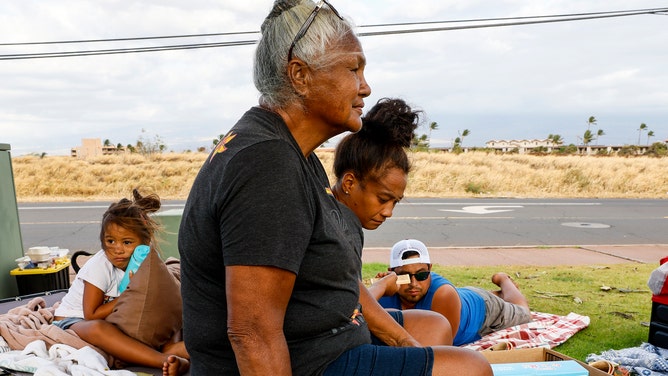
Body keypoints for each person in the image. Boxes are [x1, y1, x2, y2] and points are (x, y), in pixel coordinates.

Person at [178, 0, 492, 375]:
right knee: (470, 368)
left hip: (331, 339)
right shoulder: (267, 163)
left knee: (431, 327)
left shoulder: (296, 155)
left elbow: (331, 277)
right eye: (353, 68)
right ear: (300, 75)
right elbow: (252, 333)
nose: (365, 87)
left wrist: (401, 343)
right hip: (311, 362)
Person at [332, 97, 454, 346]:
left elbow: (352, 292)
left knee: (437, 324)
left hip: (347, 327)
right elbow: (353, 303)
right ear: (349, 183)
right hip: (333, 343)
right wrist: (407, 344)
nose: (388, 212)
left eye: (395, 202)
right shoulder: (335, 228)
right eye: (383, 199)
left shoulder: (345, 221)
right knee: (472, 365)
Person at [53, 189, 189, 376]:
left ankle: (175, 349)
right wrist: (129, 295)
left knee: (167, 313)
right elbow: (91, 315)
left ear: (144, 242)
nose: (117, 249)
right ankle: (161, 360)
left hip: (118, 317)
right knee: (99, 329)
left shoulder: (147, 261)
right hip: (75, 320)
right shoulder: (100, 265)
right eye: (110, 241)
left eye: (126, 242)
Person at [371, 238, 532, 346]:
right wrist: (381, 288)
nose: (414, 283)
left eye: (421, 275)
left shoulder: (443, 294)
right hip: (461, 297)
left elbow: (438, 348)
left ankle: (503, 280)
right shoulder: (385, 291)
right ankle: (495, 293)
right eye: (404, 276)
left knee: (523, 313)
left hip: (482, 308)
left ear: (430, 270)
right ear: (392, 273)